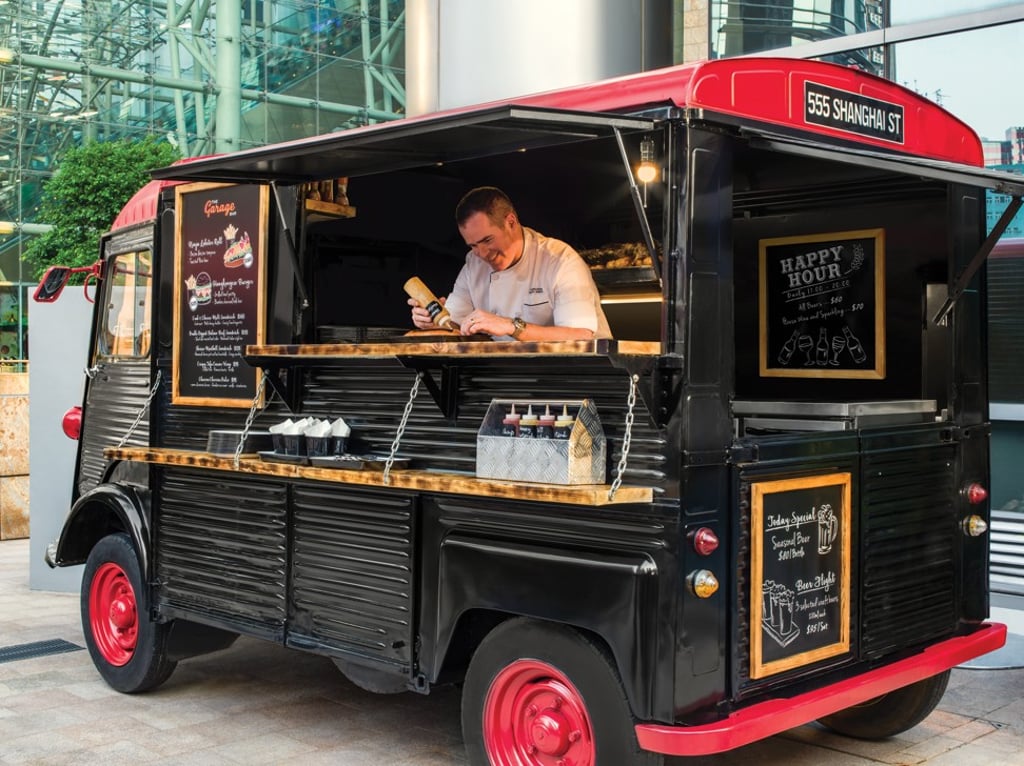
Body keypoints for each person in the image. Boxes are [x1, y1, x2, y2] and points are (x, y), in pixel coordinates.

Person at [408, 187, 612, 341]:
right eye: (473, 245)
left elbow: (581, 335)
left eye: (488, 240)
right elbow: (455, 327)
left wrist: (511, 326)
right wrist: (431, 321)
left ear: (511, 222)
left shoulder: (560, 260)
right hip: (511, 377)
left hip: (579, 379)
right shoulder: (473, 264)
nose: (482, 254)